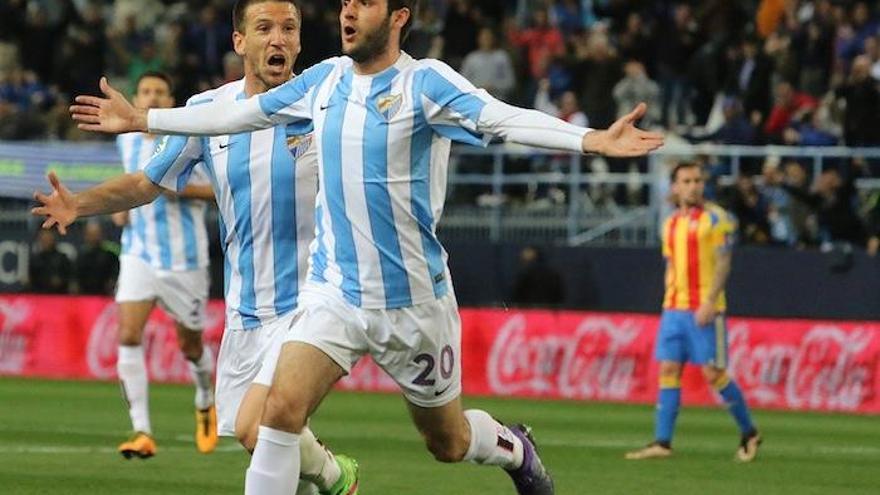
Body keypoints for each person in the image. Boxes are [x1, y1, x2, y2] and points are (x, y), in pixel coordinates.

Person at [67, 1, 664, 493]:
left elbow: (501, 118)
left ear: (398, 16)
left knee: (447, 442)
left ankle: (513, 448)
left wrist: (589, 140)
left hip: (413, 302)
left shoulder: (425, 84)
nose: (349, 13)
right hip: (333, 294)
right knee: (275, 416)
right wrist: (146, 120)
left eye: (365, 4)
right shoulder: (321, 81)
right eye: (345, 3)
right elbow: (237, 115)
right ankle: (332, 477)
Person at [35, 1, 359, 494]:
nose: (279, 39)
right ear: (238, 42)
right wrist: (80, 204)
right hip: (248, 309)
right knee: (266, 440)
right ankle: (333, 479)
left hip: (316, 302)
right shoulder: (206, 112)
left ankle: (335, 475)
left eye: (289, 29)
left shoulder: (325, 99)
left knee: (263, 425)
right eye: (264, 28)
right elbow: (148, 183)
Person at [104, 70, 219, 460]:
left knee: (190, 345)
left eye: (159, 92)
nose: (152, 97)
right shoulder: (128, 140)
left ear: (172, 101)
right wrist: (120, 211)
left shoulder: (189, 137)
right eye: (145, 91)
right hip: (138, 252)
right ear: (136, 98)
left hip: (184, 259)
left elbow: (221, 192)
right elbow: (128, 187)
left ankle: (205, 397)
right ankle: (141, 431)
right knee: (128, 334)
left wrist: (175, 188)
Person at [625, 162, 761, 462]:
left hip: (704, 309)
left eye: (698, 180)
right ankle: (662, 442)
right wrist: (668, 299)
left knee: (714, 374)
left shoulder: (717, 219)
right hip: (674, 309)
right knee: (669, 371)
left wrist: (711, 301)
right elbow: (671, 265)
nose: (693, 186)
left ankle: (749, 432)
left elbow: (724, 263)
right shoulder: (671, 222)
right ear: (675, 186)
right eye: (686, 180)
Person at [74, 220, 119, 295]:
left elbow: (115, 274)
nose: (94, 237)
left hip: (105, 295)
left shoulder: (110, 256)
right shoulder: (81, 256)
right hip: (84, 295)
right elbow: (75, 276)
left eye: (96, 234)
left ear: (101, 235)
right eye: (91, 234)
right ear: (86, 236)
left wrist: (112, 282)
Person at [28, 229, 72, 294]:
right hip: (39, 293)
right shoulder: (35, 259)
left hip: (58, 293)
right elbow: (31, 278)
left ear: (53, 240)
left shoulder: (62, 258)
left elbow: (69, 276)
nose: (45, 242)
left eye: (48, 239)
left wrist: (61, 280)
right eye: (43, 240)